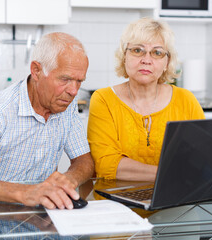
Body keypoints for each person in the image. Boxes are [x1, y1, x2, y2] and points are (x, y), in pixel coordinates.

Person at [0, 32, 95, 210]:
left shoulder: (66, 105)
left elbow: (84, 161)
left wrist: (70, 179)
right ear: (36, 71)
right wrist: (26, 192)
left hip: (37, 214)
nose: (73, 91)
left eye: (79, 81)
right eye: (65, 79)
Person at [87, 17, 205, 182]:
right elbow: (105, 164)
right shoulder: (103, 99)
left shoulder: (186, 100)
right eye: (137, 50)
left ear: (167, 62)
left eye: (157, 52)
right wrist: (167, 174)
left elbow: (201, 158)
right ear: (124, 56)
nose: (146, 60)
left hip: (174, 200)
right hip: (117, 201)